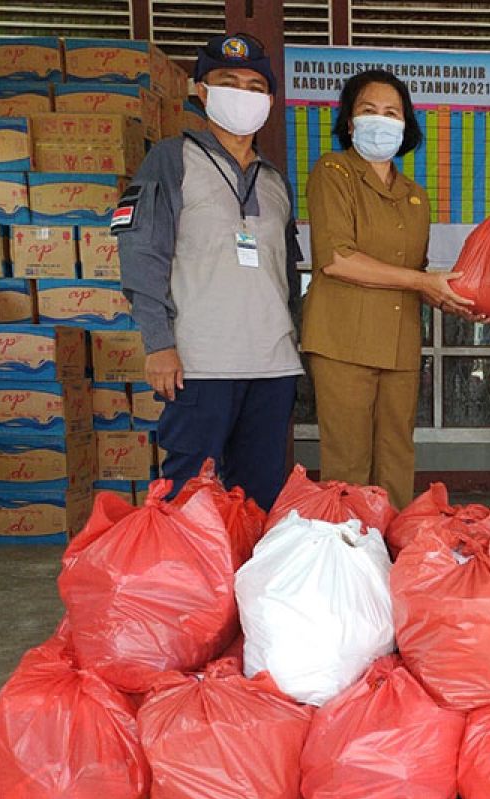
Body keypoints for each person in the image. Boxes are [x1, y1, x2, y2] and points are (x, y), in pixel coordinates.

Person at [115, 32, 302, 510]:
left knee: (259, 499)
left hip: (272, 366)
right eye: (228, 82)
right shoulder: (171, 160)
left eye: (254, 86)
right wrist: (159, 344)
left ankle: (246, 585)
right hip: (199, 365)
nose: (242, 94)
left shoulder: (276, 180)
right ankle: (184, 585)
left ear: (270, 100)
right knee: (186, 493)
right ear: (202, 91)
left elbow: (288, 272)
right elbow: (142, 251)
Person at [303, 70, 472, 508]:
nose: (380, 120)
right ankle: (346, 557)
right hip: (343, 341)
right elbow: (338, 259)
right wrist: (423, 281)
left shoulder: (415, 195)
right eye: (368, 110)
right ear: (349, 120)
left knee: (398, 458)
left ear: (406, 124)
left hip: (399, 344)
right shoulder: (333, 171)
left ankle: (389, 555)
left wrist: (461, 299)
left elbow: (416, 275)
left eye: (391, 112)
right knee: (348, 463)